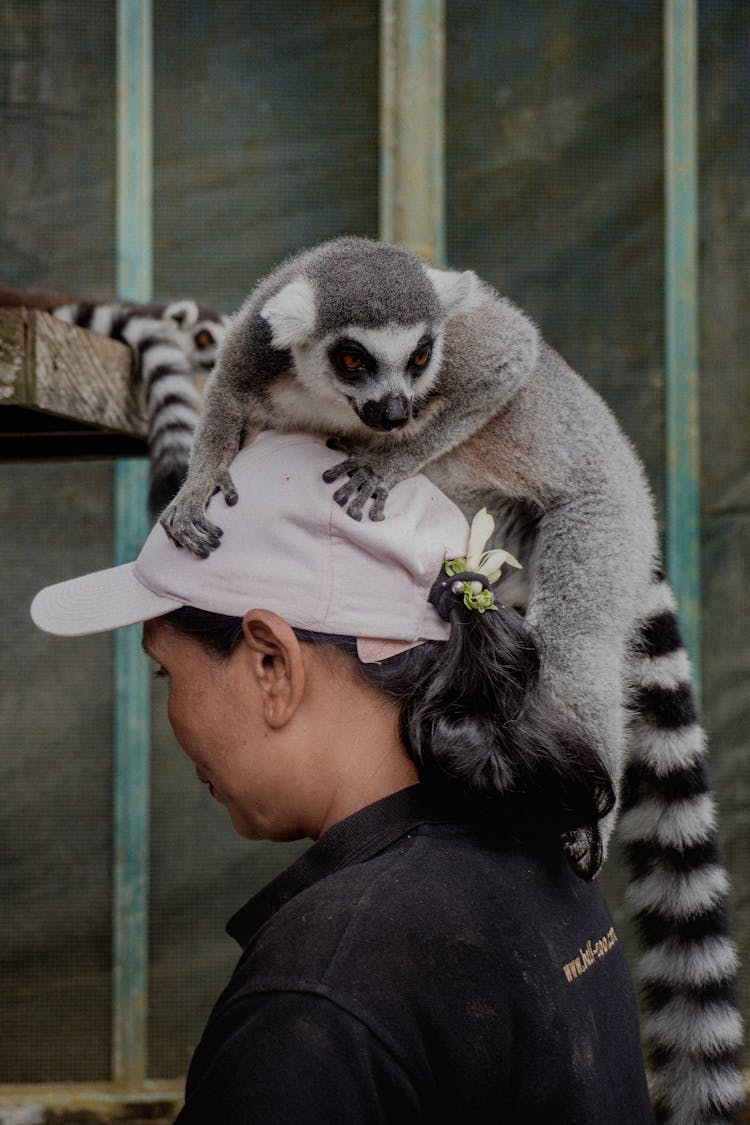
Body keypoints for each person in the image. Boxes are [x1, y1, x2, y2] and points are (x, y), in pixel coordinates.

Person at [31, 431, 654, 1124]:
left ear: (273, 663)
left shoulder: (323, 994)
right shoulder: (536, 847)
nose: (169, 705)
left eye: (165, 671)